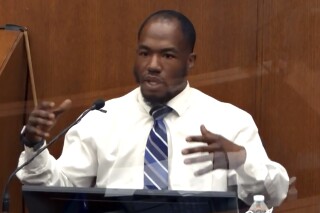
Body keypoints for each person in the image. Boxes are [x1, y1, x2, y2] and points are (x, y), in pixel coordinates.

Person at [17, 9, 289, 207]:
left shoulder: (229, 120)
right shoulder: (100, 118)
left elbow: (274, 194)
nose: (153, 64)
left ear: (190, 61)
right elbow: (58, 193)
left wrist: (241, 159)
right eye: (145, 53)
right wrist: (34, 146)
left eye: (167, 55)